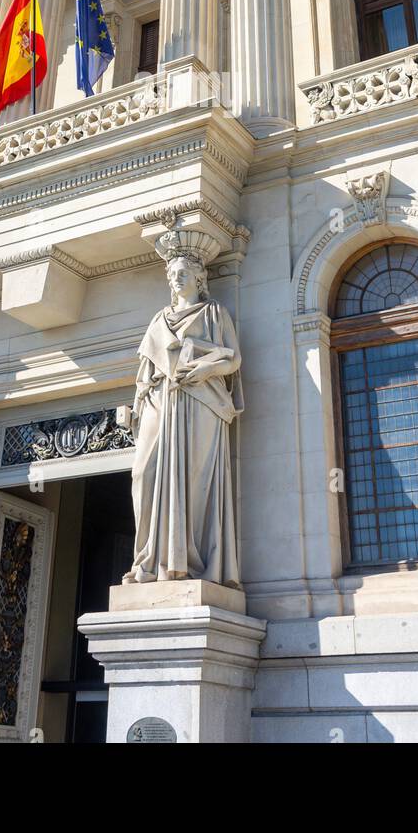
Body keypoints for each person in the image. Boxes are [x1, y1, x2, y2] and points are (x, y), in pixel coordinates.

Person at [124, 248, 243, 586]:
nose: (175, 278)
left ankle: (185, 563)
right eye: (172, 273)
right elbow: (144, 373)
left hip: (200, 399)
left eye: (182, 273)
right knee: (143, 473)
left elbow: (233, 360)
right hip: (159, 400)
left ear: (198, 278)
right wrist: (134, 410)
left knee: (192, 479)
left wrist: (205, 369)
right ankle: (148, 559)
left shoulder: (214, 313)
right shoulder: (158, 319)